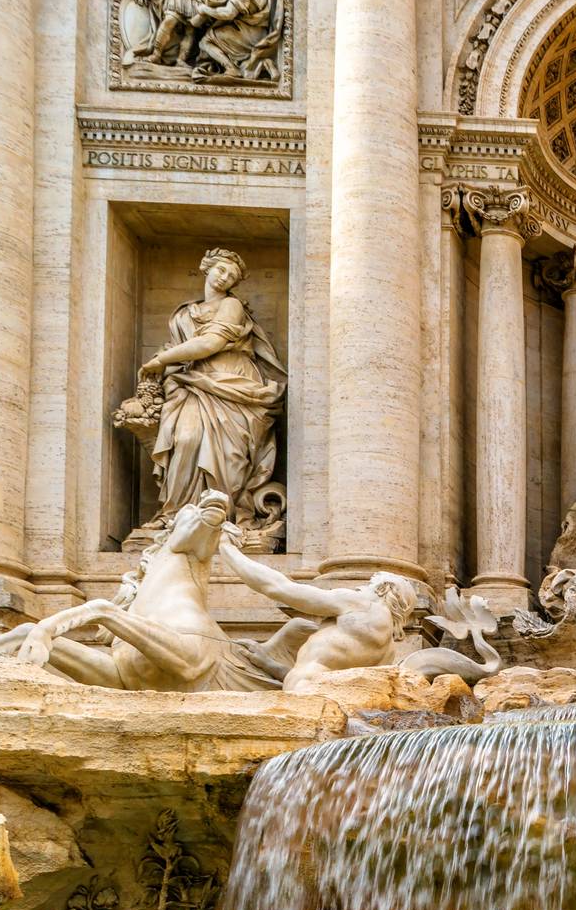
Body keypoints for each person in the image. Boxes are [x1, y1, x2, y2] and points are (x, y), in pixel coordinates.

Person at [130, 247, 286, 527]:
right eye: (221, 270)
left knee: (228, 453)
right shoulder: (184, 313)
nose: (224, 278)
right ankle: (175, 515)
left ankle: (220, 517)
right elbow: (185, 348)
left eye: (232, 276)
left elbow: (210, 343)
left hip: (231, 382)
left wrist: (162, 359)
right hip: (192, 383)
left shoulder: (232, 306)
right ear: (207, 267)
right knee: (186, 440)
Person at [216, 535, 421, 692]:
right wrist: (268, 664)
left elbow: (278, 587)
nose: (361, 588)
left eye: (368, 584)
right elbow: (324, 677)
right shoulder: (388, 651)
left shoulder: (361, 604)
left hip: (303, 694)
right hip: (318, 696)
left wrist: (228, 549)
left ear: (383, 589)